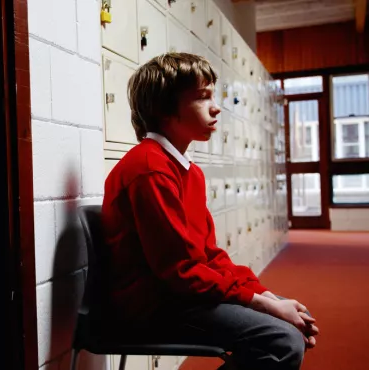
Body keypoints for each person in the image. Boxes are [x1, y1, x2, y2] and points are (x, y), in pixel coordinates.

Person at [100, 52, 319, 370]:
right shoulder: (150, 168)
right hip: (153, 307)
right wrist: (265, 306)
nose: (216, 108)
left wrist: (270, 298)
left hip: (180, 297)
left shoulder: (188, 172)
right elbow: (181, 272)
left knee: (286, 331)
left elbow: (210, 257)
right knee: (281, 341)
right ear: (164, 108)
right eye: (203, 98)